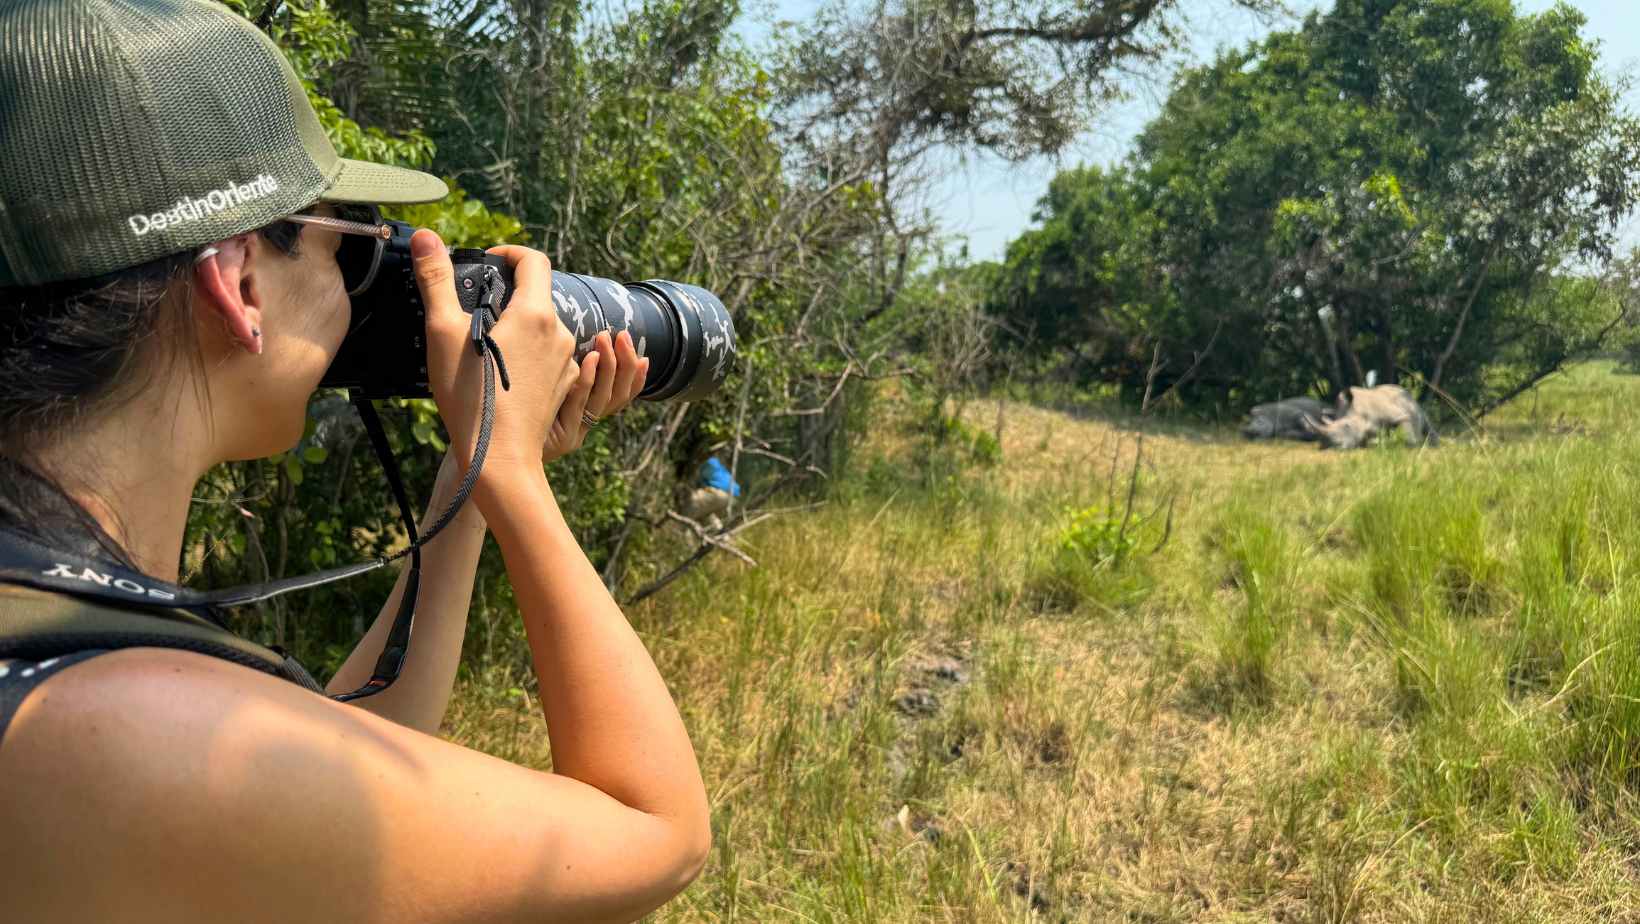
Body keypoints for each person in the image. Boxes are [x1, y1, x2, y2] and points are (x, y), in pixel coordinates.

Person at [0, 0, 710, 921]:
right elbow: (655, 833)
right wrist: (519, 486)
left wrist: (473, 465)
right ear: (242, 281)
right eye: (350, 245)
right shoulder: (116, 730)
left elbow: (333, 761)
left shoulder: (61, 641)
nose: (357, 292)